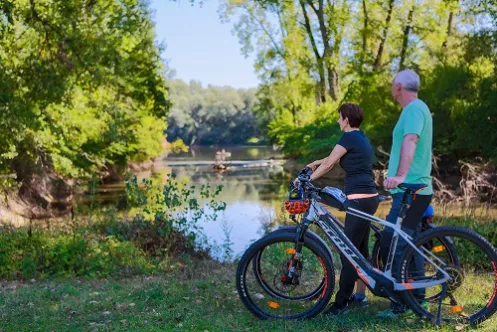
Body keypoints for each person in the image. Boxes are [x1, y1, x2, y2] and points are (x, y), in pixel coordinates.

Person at [299, 103, 379, 315]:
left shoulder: (348, 137)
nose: (337, 121)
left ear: (346, 118)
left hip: (359, 199)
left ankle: (340, 304)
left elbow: (329, 165)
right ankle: (360, 297)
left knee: (348, 254)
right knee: (360, 251)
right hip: (369, 197)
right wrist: (314, 163)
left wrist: (305, 181)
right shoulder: (360, 137)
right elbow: (330, 159)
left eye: (339, 117)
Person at [377, 69, 433, 318]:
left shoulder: (413, 109)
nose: (391, 88)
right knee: (409, 243)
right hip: (413, 191)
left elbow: (410, 140)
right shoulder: (415, 108)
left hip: (411, 190)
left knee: (398, 244)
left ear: (399, 86)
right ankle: (417, 300)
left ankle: (402, 304)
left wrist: (399, 176)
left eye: (392, 84)